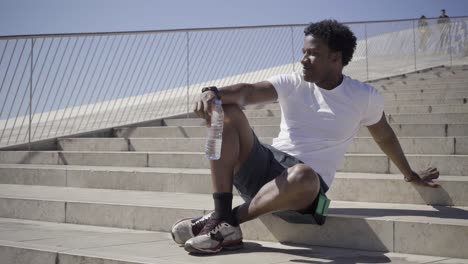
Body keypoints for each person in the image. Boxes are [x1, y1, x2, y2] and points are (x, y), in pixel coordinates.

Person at [171, 19, 440, 254]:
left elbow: (385, 137)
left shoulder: (364, 97)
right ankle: (220, 215)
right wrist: (212, 92)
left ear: (336, 59)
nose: (303, 59)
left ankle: (226, 222)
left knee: (303, 174)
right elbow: (248, 91)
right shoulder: (294, 82)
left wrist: (409, 174)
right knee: (225, 108)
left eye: (312, 54)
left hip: (304, 188)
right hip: (267, 166)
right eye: (303, 52)